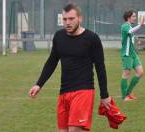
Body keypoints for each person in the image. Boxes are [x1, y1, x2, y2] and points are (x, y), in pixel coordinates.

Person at [29, 3, 111, 132]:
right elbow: (52, 61)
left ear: (80, 18)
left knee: (74, 130)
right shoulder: (59, 37)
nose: (67, 22)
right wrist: (39, 84)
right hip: (64, 92)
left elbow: (100, 67)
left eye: (71, 19)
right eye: (65, 19)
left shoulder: (92, 38)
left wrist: (104, 95)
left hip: (83, 91)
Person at [120, 10, 145, 101]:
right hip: (127, 54)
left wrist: (139, 26)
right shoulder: (125, 26)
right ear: (128, 17)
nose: (135, 18)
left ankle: (129, 92)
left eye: (135, 16)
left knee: (140, 72)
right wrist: (140, 25)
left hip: (133, 54)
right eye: (133, 16)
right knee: (126, 74)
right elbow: (130, 31)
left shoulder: (130, 26)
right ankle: (124, 97)